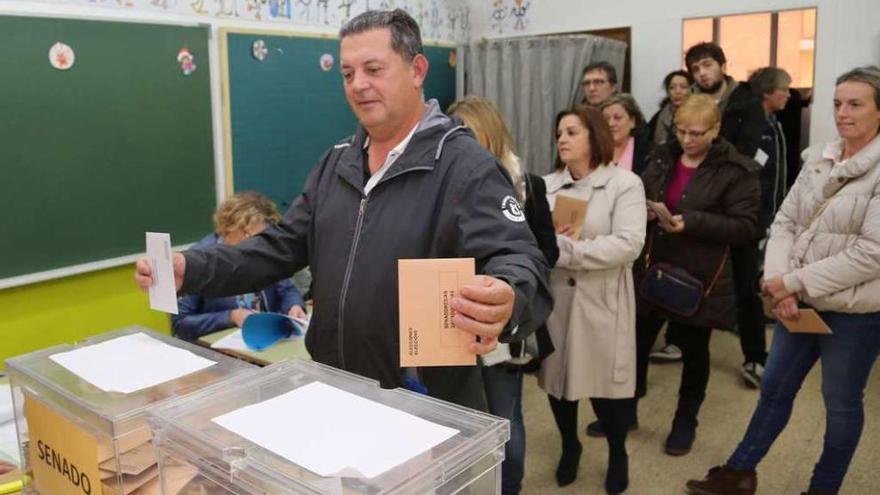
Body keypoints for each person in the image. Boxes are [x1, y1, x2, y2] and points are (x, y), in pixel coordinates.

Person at [134, 9, 552, 411]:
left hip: (421, 402)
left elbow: (520, 258)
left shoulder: (465, 166)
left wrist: (508, 296)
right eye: (348, 74)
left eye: (373, 69)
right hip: (333, 389)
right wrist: (192, 269)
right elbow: (277, 248)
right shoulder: (337, 164)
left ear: (417, 70)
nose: (358, 85)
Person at [686, 66, 880, 495]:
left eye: (855, 104)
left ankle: (822, 488)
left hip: (855, 314)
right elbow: (786, 221)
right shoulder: (821, 158)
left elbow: (872, 254)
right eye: (837, 103)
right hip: (798, 301)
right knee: (773, 389)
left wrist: (792, 282)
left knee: (841, 404)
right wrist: (778, 281)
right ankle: (739, 473)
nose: (842, 113)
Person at [635, 94, 760, 456]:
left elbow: (747, 226)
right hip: (652, 268)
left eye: (696, 133)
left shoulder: (738, 170)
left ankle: (684, 423)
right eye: (681, 130)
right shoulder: (662, 155)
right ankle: (624, 412)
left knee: (694, 353)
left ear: (716, 129)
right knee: (636, 345)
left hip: (699, 276)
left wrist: (692, 222)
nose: (687, 139)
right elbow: (641, 191)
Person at [448, 96, 558, 495]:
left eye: (468, 134)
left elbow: (547, 254)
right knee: (453, 427)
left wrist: (504, 277)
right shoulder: (442, 185)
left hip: (503, 331)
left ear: (489, 135)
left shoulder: (529, 186)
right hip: (454, 320)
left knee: (505, 423)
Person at [539, 105, 646, 493]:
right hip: (556, 302)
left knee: (605, 391)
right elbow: (536, 242)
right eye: (559, 133)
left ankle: (618, 452)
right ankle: (570, 444)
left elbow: (629, 244)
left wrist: (569, 250)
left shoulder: (624, 184)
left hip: (601, 300)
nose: (562, 139)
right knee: (558, 383)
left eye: (571, 132)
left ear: (594, 136)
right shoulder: (546, 186)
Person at [686, 42, 768, 387]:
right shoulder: (689, 104)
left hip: (736, 210)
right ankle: (683, 345)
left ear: (722, 65)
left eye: (706, 65)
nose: (702, 73)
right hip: (698, 212)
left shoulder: (747, 104)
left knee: (746, 288)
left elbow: (751, 156)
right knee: (690, 281)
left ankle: (755, 357)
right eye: (695, 69)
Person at [171, 192, 306, 342]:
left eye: (264, 237)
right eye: (251, 236)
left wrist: (294, 305)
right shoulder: (199, 260)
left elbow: (287, 289)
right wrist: (231, 317)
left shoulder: (265, 255)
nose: (259, 244)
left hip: (265, 341)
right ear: (229, 228)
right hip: (222, 351)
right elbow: (180, 324)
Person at [600, 93, 651, 175]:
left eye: (617, 118)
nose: (611, 124)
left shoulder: (648, 153)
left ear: (632, 121)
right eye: (606, 119)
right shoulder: (593, 150)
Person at [647, 70, 694, 147]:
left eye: (683, 87)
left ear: (691, 90)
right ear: (668, 92)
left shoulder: (699, 115)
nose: (677, 91)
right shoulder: (660, 115)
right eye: (672, 88)